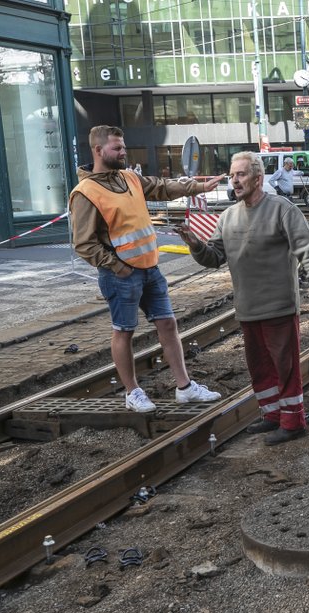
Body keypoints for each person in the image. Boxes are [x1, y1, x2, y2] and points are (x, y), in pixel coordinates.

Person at [176, 151, 309, 446]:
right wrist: (194, 244)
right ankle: (271, 415)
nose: (235, 180)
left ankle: (293, 422)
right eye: (232, 175)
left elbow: (307, 250)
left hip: (279, 306)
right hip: (247, 308)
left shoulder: (282, 209)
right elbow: (215, 257)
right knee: (259, 368)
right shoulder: (228, 217)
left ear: (259, 178)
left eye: (241, 174)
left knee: (285, 367)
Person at [69, 125, 225, 413]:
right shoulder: (85, 192)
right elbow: (83, 243)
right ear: (99, 151)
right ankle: (133, 392)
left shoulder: (129, 177)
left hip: (150, 269)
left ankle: (185, 388)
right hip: (121, 275)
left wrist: (199, 186)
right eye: (117, 148)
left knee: (167, 324)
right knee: (124, 331)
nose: (123, 152)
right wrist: (117, 266)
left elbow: (162, 187)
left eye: (124, 146)